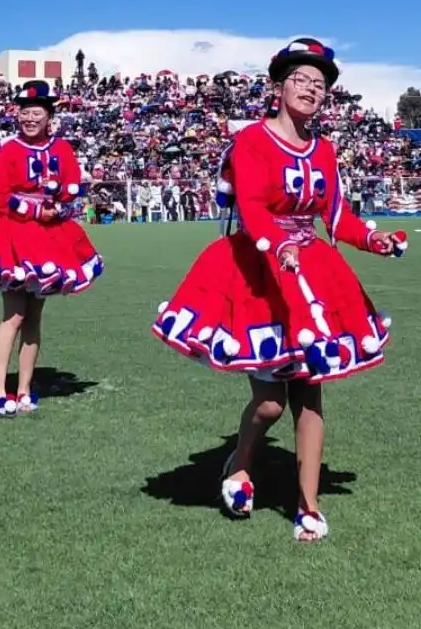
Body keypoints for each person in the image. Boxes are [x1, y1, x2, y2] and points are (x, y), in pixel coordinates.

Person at [153, 38, 404, 542]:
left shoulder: (326, 150)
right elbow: (251, 206)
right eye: (300, 79)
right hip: (258, 273)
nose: (310, 89)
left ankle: (307, 506)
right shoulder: (251, 142)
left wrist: (374, 240)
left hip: (311, 272)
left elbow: (335, 216)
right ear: (279, 85)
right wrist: (277, 246)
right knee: (269, 403)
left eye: (319, 84)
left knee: (310, 397)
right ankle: (239, 463)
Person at [0, 81, 104, 416]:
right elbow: (0, 197)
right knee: (13, 314)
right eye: (24, 111)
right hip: (13, 235)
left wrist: (61, 205)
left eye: (36, 112)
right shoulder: (8, 150)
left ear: (49, 116)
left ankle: (24, 388)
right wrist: (38, 210)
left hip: (50, 237)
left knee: (34, 318)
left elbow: (72, 187)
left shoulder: (62, 149)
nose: (29, 117)